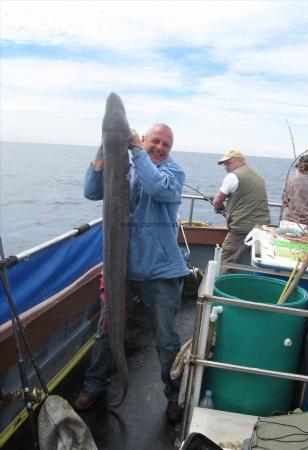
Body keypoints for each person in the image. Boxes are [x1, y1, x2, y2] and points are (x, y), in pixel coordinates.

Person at [74, 123, 189, 424]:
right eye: (155, 141)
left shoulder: (173, 172)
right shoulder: (130, 166)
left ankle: (174, 395)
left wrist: (137, 150)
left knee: (166, 338)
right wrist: (105, 145)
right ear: (145, 140)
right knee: (106, 330)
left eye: (166, 144)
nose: (159, 147)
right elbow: (91, 191)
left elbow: (159, 188)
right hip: (121, 267)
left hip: (160, 271)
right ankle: (94, 386)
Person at [213, 150, 270, 274]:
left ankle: (218, 286)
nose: (226, 167)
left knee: (226, 260)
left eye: (228, 163)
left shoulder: (233, 176)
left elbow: (217, 200)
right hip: (262, 227)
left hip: (241, 228)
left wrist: (217, 209)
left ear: (240, 161)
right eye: (224, 164)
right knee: (257, 262)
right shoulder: (258, 175)